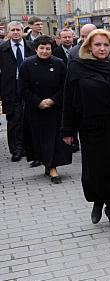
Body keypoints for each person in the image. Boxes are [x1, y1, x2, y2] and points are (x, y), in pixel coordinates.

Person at [62, 29, 110, 229]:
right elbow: (69, 100)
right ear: (89, 47)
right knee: (95, 169)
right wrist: (67, 131)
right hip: (91, 126)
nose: (102, 48)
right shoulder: (77, 66)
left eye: (105, 45)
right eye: (97, 45)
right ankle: (97, 201)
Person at [18, 36, 72, 183]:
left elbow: (66, 86)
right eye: (41, 48)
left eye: (47, 48)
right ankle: (47, 164)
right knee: (41, 140)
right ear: (36, 49)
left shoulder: (59, 64)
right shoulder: (26, 65)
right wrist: (38, 102)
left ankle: (53, 167)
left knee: (54, 139)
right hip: (36, 110)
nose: (44, 51)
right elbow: (22, 89)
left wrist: (53, 100)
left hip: (55, 109)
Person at [0, 21, 34, 161]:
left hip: (29, 88)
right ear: (8, 32)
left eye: (18, 30)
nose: (15, 32)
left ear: (22, 31)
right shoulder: (3, 49)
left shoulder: (31, 47)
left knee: (29, 118)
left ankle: (28, 148)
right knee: (14, 120)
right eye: (12, 30)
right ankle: (16, 150)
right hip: (10, 89)